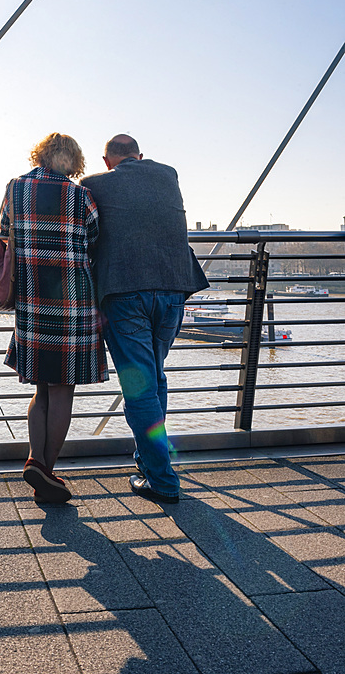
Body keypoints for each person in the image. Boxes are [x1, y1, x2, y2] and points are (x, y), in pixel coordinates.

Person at [81, 134, 208, 505]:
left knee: (140, 387)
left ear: (107, 161)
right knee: (155, 377)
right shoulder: (168, 173)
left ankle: (162, 480)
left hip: (125, 293)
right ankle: (150, 463)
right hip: (172, 289)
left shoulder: (94, 184)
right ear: (140, 155)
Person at [0, 132, 108, 504]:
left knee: (41, 389)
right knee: (63, 390)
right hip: (73, 304)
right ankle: (47, 470)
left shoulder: (15, 189)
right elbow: (96, 240)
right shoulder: (81, 196)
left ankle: (35, 460)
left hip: (31, 301)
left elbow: (3, 234)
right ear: (74, 162)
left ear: (41, 155)